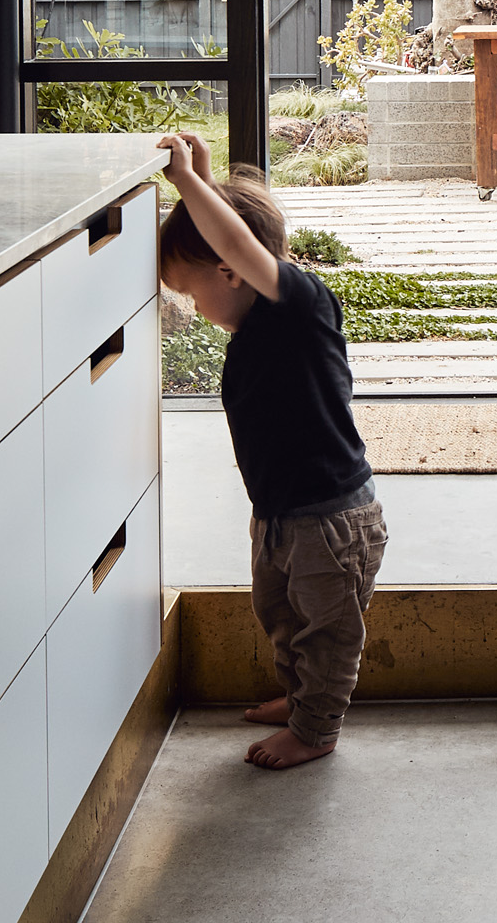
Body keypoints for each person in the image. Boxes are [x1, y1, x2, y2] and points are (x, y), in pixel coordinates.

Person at [155, 131, 388, 770]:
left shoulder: (300, 304)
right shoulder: (256, 325)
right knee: (281, 617)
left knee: (328, 631)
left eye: (191, 292)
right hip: (282, 514)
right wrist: (199, 182)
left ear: (233, 271)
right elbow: (223, 239)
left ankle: (317, 729)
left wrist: (186, 183)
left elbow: (232, 241)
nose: (194, 308)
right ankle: (300, 696)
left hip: (333, 518)